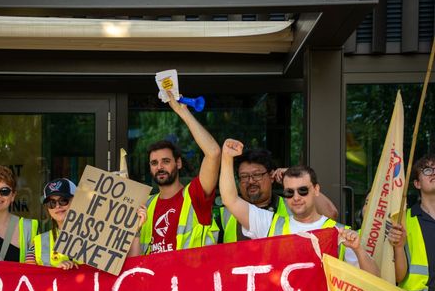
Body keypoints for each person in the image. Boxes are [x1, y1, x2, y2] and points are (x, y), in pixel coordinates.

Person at [220, 139, 379, 275]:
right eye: (289, 192)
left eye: (303, 190)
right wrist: (227, 157)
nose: (296, 197)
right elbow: (230, 200)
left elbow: (375, 282)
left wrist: (358, 250)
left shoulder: (339, 233)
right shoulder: (271, 225)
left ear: (316, 190)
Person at [139, 92, 221, 255]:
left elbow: (213, 153)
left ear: (178, 163)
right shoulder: (145, 205)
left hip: (189, 279)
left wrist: (183, 111)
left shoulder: (194, 195)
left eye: (166, 161)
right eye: (154, 163)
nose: (159, 167)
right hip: (152, 280)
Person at [219, 148, 338, 243]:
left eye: (257, 175)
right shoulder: (226, 213)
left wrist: (291, 178)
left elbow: (330, 214)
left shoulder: (293, 204)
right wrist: (226, 157)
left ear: (272, 176)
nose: (250, 181)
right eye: (244, 176)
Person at [26, 178, 146, 267]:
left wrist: (134, 231)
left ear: (78, 201)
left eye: (64, 200)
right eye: (51, 203)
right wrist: (56, 273)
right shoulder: (37, 244)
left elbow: (132, 271)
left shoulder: (102, 235)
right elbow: (29, 281)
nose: (57, 206)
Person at [394, 155, 435, 291]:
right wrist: (398, 246)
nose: (434, 173)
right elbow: (397, 277)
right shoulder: (402, 220)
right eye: (428, 170)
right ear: (417, 184)